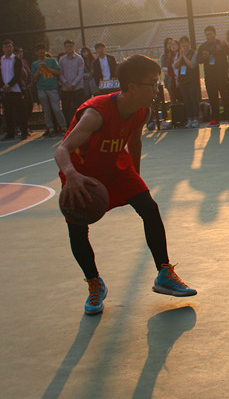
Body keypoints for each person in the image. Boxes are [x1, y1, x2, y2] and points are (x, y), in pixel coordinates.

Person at [55, 54, 196, 315]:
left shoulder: (142, 111)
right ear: (133, 88)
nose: (157, 90)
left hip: (115, 166)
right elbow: (61, 150)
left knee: (149, 208)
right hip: (82, 173)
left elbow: (135, 141)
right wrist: (71, 175)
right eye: (152, 84)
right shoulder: (95, 114)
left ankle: (164, 274)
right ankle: (94, 283)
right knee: (77, 228)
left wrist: (137, 179)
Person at [197, 25, 229, 126]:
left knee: (226, 96)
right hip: (210, 76)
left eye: (210, 34)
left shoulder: (222, 43)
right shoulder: (203, 46)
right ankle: (215, 119)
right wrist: (204, 57)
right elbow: (198, 60)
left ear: (214, 34)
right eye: (206, 35)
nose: (208, 37)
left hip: (222, 75)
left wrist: (220, 50)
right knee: (212, 97)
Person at [32, 43, 67, 137]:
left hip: (52, 88)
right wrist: (39, 69)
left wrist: (47, 68)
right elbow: (34, 78)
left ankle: (63, 126)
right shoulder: (35, 64)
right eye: (40, 53)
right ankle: (50, 127)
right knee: (46, 109)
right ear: (36, 53)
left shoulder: (52, 60)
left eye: (43, 52)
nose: (42, 54)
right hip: (41, 89)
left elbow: (58, 72)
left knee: (56, 109)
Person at [0, 39, 28, 140]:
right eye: (6, 47)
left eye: (10, 46)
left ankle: (24, 132)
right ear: (3, 49)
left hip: (16, 90)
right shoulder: (0, 60)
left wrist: (9, 85)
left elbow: (17, 75)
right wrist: (3, 86)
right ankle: (10, 133)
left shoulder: (17, 60)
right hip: (5, 91)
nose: (8, 49)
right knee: (8, 113)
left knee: (21, 112)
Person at [175, 36, 200, 127]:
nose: (184, 44)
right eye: (182, 42)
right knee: (186, 100)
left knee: (194, 99)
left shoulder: (194, 53)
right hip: (183, 81)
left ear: (188, 43)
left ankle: (196, 118)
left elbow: (191, 65)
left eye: (185, 42)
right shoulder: (179, 54)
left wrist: (184, 56)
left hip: (192, 80)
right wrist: (180, 56)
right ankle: (189, 118)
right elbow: (176, 65)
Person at [59, 39, 86, 126]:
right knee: (66, 108)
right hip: (65, 88)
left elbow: (80, 73)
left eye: (70, 46)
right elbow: (60, 73)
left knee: (78, 107)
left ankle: (80, 125)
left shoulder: (79, 59)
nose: (69, 48)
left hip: (77, 88)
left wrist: (73, 84)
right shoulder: (62, 60)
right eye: (67, 46)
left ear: (74, 46)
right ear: (64, 48)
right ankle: (68, 126)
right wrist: (66, 84)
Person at [13, 45, 34, 135]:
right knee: (19, 109)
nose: (20, 54)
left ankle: (25, 125)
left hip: (26, 87)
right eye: (17, 53)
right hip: (17, 88)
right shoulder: (12, 62)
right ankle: (19, 127)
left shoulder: (24, 61)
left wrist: (30, 83)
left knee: (30, 105)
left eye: (21, 52)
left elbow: (29, 73)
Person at [160, 38, 180, 103]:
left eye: (171, 43)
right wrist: (169, 70)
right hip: (169, 80)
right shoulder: (164, 56)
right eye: (168, 43)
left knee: (180, 97)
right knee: (172, 98)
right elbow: (163, 68)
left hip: (177, 78)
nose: (170, 45)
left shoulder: (176, 54)